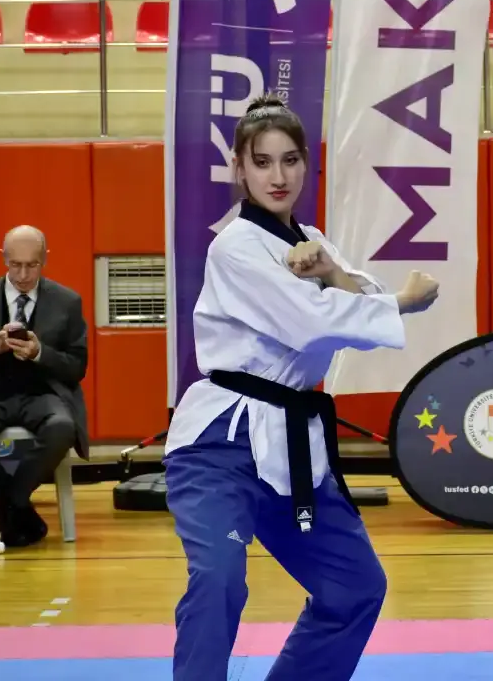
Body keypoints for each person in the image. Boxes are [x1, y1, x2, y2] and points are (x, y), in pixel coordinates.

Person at [162, 96, 440, 680]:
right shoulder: (234, 247)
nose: (278, 176)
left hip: (291, 443)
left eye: (290, 160)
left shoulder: (311, 238)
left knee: (354, 588)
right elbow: (312, 321)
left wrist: (333, 271)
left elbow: (355, 307)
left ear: (307, 164)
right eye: (262, 162)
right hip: (221, 442)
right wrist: (401, 301)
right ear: (239, 168)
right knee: (217, 580)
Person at [0, 225, 88, 549]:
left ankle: (9, 506)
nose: (23, 275)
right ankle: (17, 509)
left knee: (62, 428)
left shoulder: (67, 302)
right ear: (3, 258)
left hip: (43, 393)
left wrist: (39, 353)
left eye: (32, 265)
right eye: (15, 264)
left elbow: (77, 367)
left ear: (45, 259)